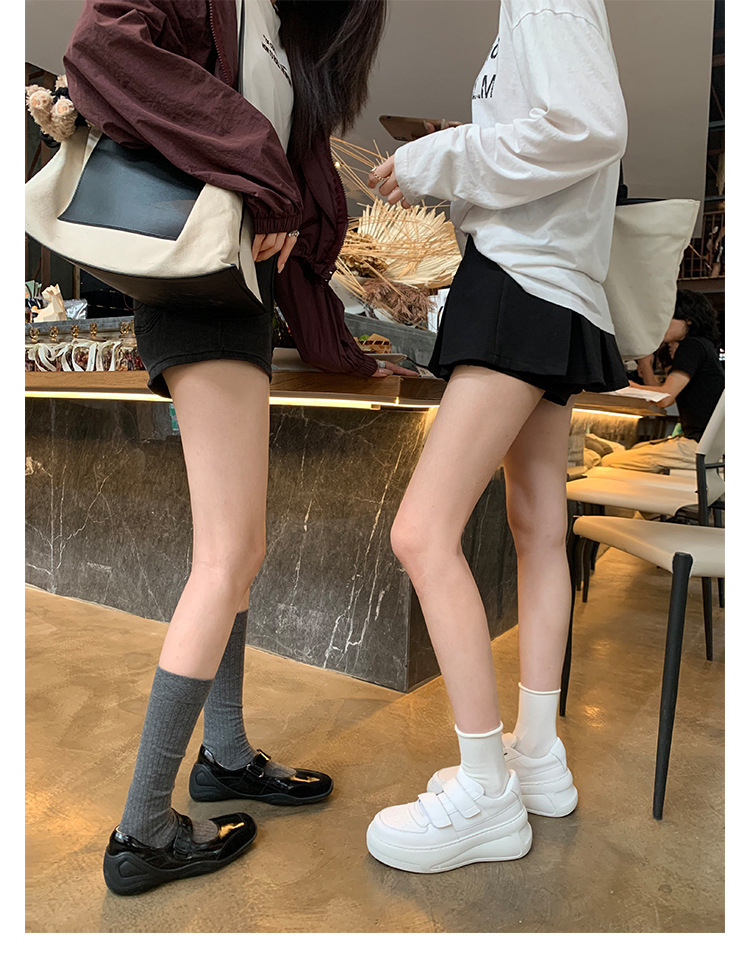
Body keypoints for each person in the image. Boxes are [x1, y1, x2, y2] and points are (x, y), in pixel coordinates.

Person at [62, 0, 401, 896]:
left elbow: (290, 179)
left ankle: (225, 755)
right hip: (195, 281)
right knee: (228, 555)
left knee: (236, 552)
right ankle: (142, 830)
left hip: (240, 297)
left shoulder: (284, 29)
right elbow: (101, 46)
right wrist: (262, 177)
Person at [365, 0, 628, 873]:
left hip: (520, 281)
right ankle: (537, 758)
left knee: (422, 532)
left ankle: (485, 792)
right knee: (538, 531)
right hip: (557, 288)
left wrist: (433, 158)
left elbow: (588, 127)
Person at [604, 289, 725, 472]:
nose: (661, 324)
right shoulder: (703, 346)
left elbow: (665, 398)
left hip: (700, 447)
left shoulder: (692, 346)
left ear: (688, 319)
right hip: (711, 447)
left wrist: (624, 385)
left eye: (667, 317)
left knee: (609, 461)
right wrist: (645, 364)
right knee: (635, 449)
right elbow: (664, 396)